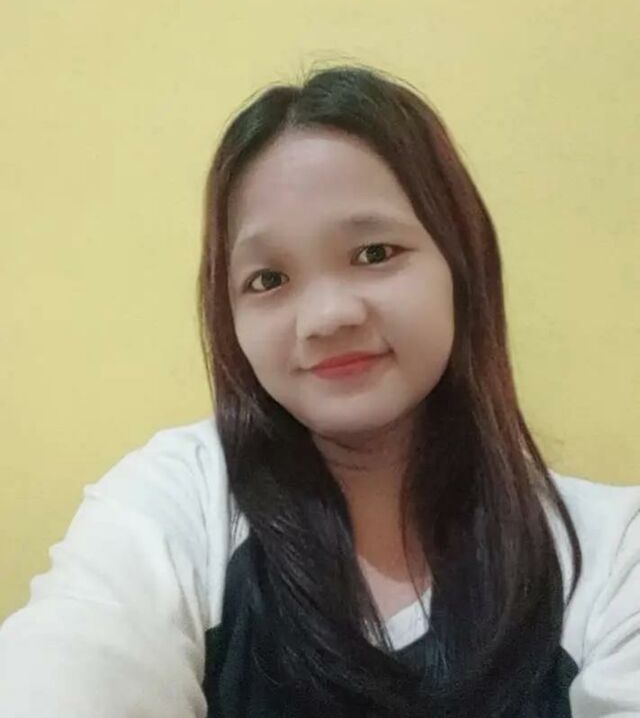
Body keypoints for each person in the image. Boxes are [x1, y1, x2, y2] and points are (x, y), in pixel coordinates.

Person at [0, 65, 638, 717]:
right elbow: (73, 661)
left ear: (461, 262)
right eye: (269, 279)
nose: (327, 316)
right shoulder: (177, 503)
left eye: (374, 252)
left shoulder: (613, 555)